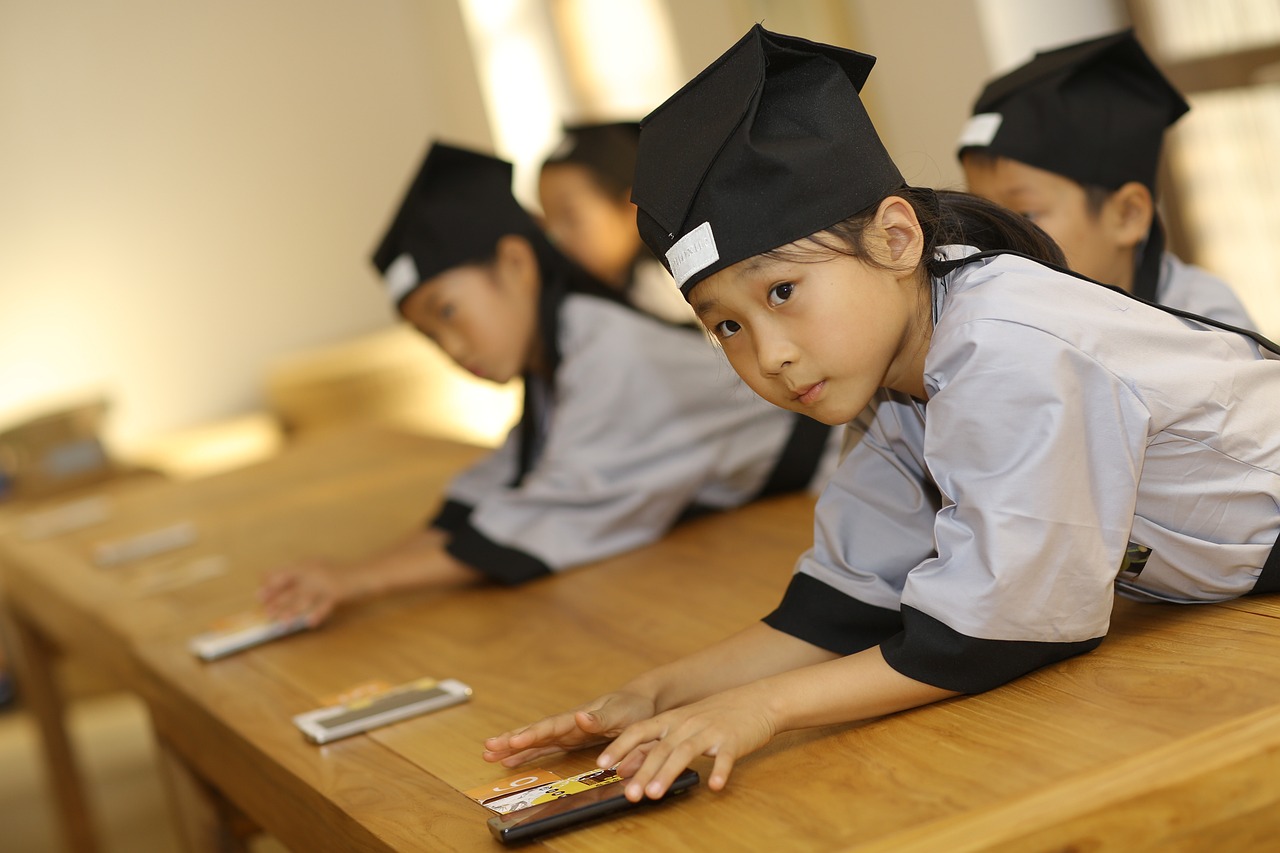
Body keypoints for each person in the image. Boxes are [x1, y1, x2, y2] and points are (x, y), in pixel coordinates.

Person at [483, 26, 1280, 804]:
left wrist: (762, 707)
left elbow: (1000, 627)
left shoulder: (1000, 342)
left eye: (782, 292)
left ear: (896, 237)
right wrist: (658, 694)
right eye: (726, 324)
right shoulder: (893, 375)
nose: (770, 355)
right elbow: (847, 600)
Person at [259, 142, 839, 626]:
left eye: (448, 312)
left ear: (515, 263)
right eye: (430, 337)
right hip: (764, 518)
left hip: (831, 495)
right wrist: (345, 572)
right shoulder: (561, 349)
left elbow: (554, 512)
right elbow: (500, 481)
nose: (452, 350)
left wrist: (357, 580)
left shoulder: (611, 352)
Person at [959, 29, 1256, 329]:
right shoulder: (991, 312)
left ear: (1127, 214)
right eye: (982, 215)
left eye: (1025, 215)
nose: (990, 243)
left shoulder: (1208, 331)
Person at [539, 122, 695, 325]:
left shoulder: (673, 300)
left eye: (570, 216)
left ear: (632, 209)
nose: (555, 238)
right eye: (546, 220)